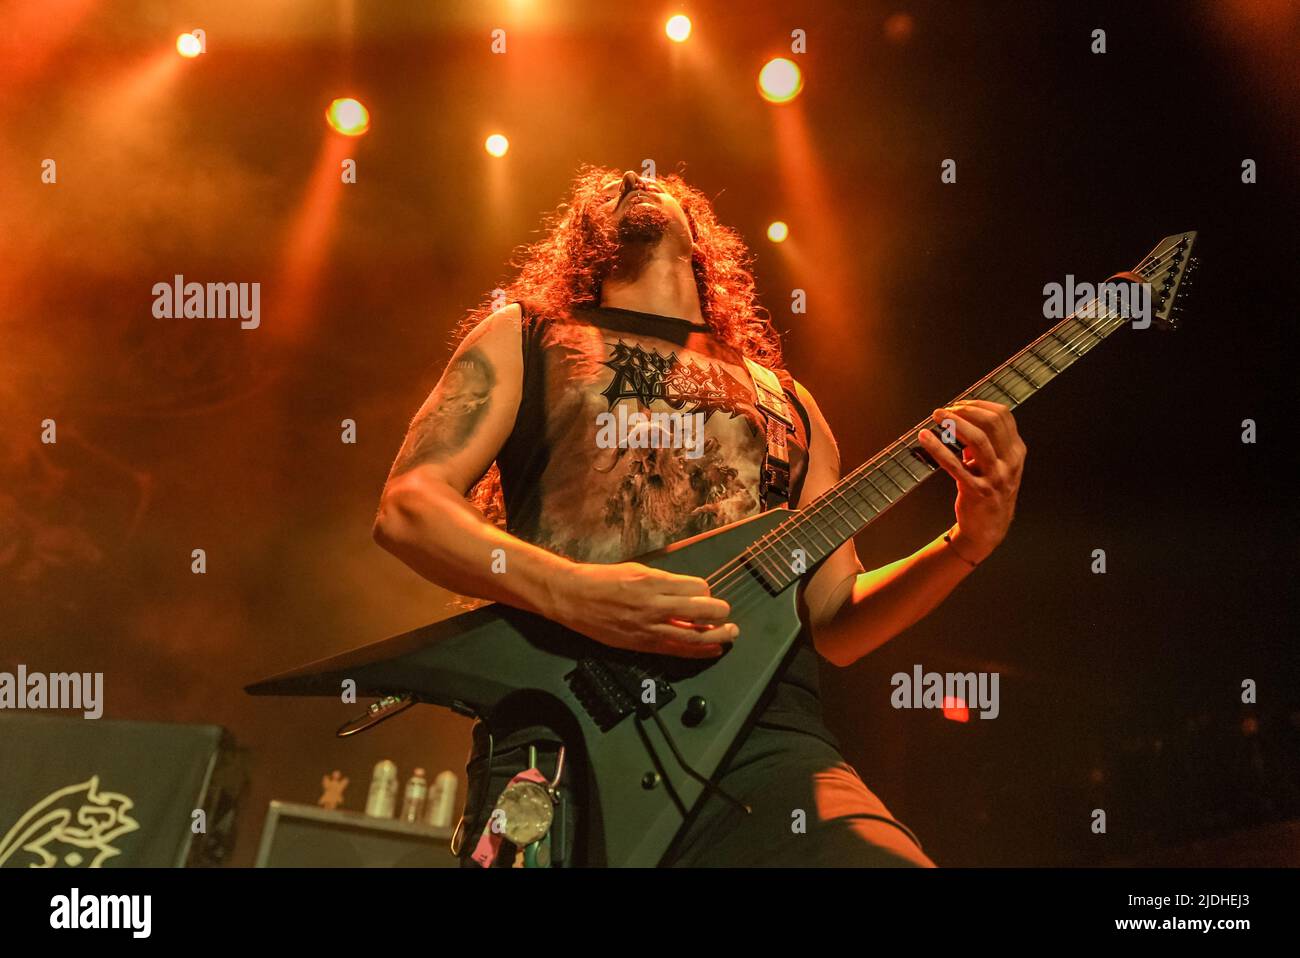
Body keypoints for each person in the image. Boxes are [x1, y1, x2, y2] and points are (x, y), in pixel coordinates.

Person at [371, 165, 1026, 866]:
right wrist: (577, 594)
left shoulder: (788, 403)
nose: (634, 179)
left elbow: (835, 618)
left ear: (701, 236)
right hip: (565, 731)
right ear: (584, 238)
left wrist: (964, 544)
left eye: (659, 184)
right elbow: (410, 508)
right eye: (615, 186)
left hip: (764, 744)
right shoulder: (528, 336)